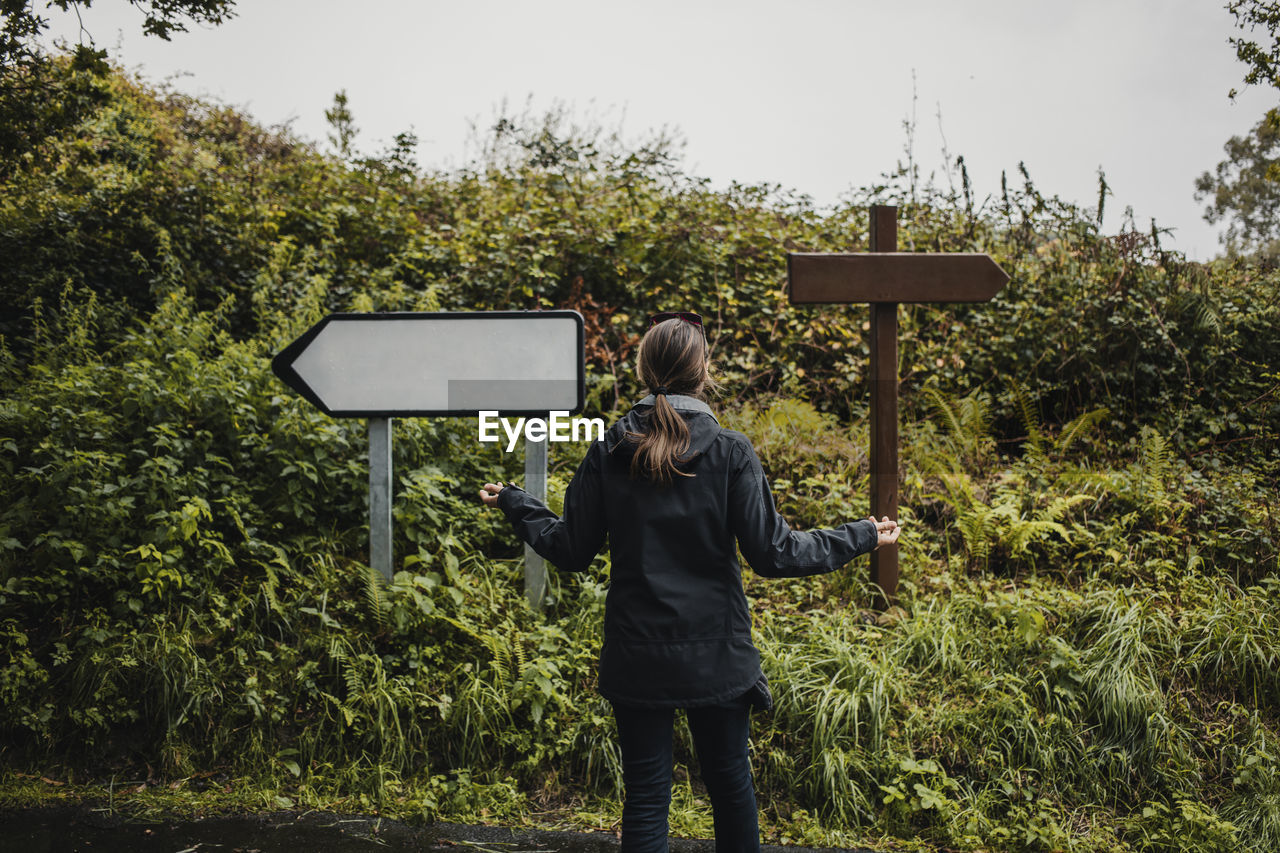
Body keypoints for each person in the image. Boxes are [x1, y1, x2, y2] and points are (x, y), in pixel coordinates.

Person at [478, 311, 901, 853]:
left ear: (643, 368)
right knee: (730, 789)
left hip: (637, 655)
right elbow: (775, 553)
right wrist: (862, 534)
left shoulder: (609, 449)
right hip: (718, 657)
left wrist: (517, 502)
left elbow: (571, 549)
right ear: (704, 371)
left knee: (648, 799)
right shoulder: (729, 452)